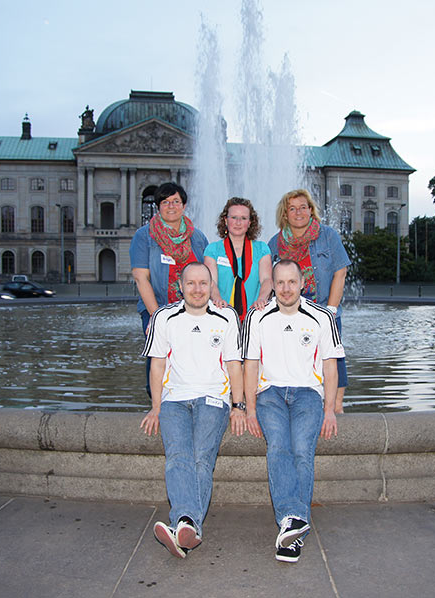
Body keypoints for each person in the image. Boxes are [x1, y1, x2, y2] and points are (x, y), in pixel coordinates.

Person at [140, 261, 246, 558]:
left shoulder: (226, 317)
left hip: (213, 399)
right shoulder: (164, 317)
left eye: (203, 283)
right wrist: (155, 406)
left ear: (212, 286)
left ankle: (183, 522)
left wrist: (238, 406)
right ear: (180, 287)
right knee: (177, 456)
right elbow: (157, 364)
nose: (197, 289)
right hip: (174, 400)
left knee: (201, 457)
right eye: (191, 283)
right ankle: (188, 526)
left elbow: (234, 365)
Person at [242, 259, 342, 563]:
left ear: (302, 283)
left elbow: (330, 366)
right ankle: (294, 520)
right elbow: (250, 365)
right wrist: (249, 410)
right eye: (280, 282)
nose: (286, 288)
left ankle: (291, 526)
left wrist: (329, 410)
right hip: (269, 393)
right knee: (278, 447)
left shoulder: (322, 317)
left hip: (308, 394)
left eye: (292, 282)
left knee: (302, 449)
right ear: (272, 285)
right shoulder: (258, 317)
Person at [268, 189, 351, 413]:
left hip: (324, 309)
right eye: (292, 208)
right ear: (285, 214)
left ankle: (337, 406)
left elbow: (340, 272)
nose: (298, 212)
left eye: (303, 207)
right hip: (290, 313)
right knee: (296, 358)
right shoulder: (275, 243)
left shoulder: (328, 236)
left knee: (334, 356)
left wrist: (331, 309)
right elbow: (269, 279)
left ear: (311, 211)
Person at [130, 182, 209, 394]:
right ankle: (157, 401)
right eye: (165, 202)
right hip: (157, 308)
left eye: (176, 201)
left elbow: (207, 276)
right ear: (158, 206)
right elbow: (141, 278)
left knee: (192, 359)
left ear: (184, 205)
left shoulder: (197, 237)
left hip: (193, 311)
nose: (171, 206)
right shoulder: (144, 236)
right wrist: (157, 317)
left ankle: (189, 398)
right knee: (160, 356)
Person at [203, 197, 273, 321]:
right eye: (234, 217)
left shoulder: (262, 249)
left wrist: (262, 299)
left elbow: (267, 279)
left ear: (250, 222)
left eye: (243, 218)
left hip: (255, 314)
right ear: (225, 220)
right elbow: (211, 281)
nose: (238, 222)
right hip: (221, 314)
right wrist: (217, 299)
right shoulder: (213, 250)